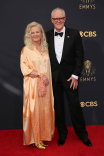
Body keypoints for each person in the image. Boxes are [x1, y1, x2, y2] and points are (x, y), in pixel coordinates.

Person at [46, 8, 92, 146]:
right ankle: (62, 135)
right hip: (53, 78)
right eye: (55, 19)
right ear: (52, 20)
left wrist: (75, 75)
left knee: (74, 107)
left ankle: (82, 135)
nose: (58, 21)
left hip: (70, 78)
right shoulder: (46, 35)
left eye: (61, 18)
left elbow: (79, 56)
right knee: (58, 108)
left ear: (65, 19)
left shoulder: (74, 33)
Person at [20, 22, 55, 149]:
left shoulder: (45, 47)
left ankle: (44, 135)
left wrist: (45, 78)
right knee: (35, 111)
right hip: (33, 85)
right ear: (29, 34)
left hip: (46, 85)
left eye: (37, 32)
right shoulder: (26, 50)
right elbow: (25, 70)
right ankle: (35, 139)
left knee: (45, 109)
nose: (35, 34)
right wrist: (40, 74)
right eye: (32, 32)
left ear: (41, 33)